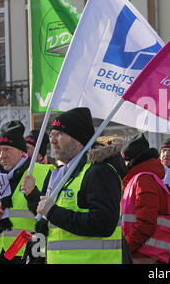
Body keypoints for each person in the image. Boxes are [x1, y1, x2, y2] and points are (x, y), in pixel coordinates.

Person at [36, 107, 123, 264]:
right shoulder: (66, 174)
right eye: (51, 135)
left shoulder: (99, 172)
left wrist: (53, 212)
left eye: (58, 134)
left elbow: (103, 223)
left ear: (78, 139)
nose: (52, 140)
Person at [0, 121, 52, 263]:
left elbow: (52, 218)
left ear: (21, 150)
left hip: (31, 257)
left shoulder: (43, 173)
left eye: (7, 149)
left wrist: (33, 194)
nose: (2, 156)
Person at [120, 133, 170, 264]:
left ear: (132, 161)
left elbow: (146, 223)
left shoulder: (144, 180)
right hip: (145, 254)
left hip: (144, 256)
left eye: (125, 161)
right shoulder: (142, 179)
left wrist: (126, 248)